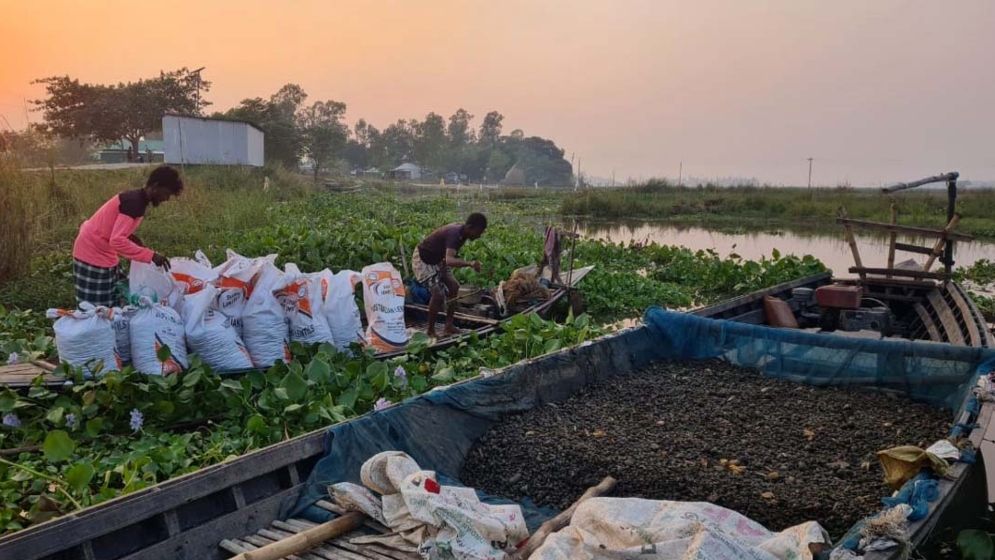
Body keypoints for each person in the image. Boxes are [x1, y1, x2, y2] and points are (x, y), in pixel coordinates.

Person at [71, 165, 183, 307]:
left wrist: (132, 238)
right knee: (97, 308)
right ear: (155, 186)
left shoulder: (137, 199)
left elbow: (114, 227)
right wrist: (151, 256)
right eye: (166, 193)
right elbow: (117, 241)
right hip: (92, 254)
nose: (166, 199)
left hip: (100, 251)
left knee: (113, 299)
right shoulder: (134, 203)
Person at [412, 213, 487, 338]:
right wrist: (470, 263)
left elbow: (447, 257)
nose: (479, 236)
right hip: (423, 260)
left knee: (454, 287)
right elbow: (450, 260)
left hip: (438, 259)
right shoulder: (455, 234)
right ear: (470, 227)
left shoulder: (463, 234)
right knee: (438, 294)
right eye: (478, 232)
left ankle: (449, 326)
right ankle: (430, 330)